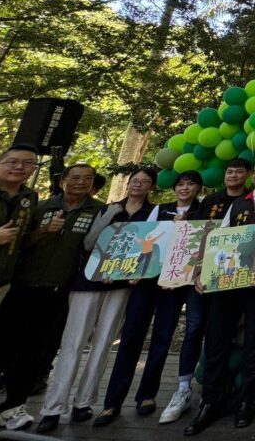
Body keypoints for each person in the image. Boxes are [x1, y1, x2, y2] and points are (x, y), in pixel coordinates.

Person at [36, 167, 157, 434]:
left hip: (124, 283)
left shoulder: (154, 214)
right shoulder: (108, 208)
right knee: (73, 342)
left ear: (151, 187)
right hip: (90, 279)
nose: (138, 185)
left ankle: (84, 403)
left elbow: (152, 248)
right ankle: (53, 407)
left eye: (144, 182)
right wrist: (109, 219)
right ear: (127, 183)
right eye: (134, 180)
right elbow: (89, 243)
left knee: (103, 343)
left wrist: (141, 271)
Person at [0, 163, 100, 431]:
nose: (81, 183)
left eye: (87, 179)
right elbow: (18, 242)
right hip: (20, 287)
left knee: (34, 352)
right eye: (75, 178)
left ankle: (12, 406)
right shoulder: (38, 206)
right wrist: (42, 231)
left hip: (57, 292)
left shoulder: (97, 211)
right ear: (62, 182)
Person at [184, 158, 255, 435]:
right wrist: (203, 272)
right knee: (217, 338)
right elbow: (218, 238)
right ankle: (209, 402)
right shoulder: (240, 203)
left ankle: (247, 400)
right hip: (228, 280)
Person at [94, 171, 203, 425]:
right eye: (181, 184)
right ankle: (112, 402)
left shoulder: (202, 213)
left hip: (175, 283)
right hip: (146, 280)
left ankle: (147, 395)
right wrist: (133, 271)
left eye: (190, 184)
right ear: (174, 188)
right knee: (131, 336)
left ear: (197, 188)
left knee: (162, 339)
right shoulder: (159, 211)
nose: (185, 188)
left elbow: (199, 247)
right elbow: (144, 241)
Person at [159, 158, 251, 425]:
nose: (233, 175)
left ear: (247, 175)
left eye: (238, 171)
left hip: (235, 277)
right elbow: (195, 238)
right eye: (229, 171)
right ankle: (185, 388)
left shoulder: (251, 201)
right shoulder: (209, 202)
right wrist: (193, 272)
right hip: (201, 278)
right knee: (194, 328)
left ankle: (217, 391)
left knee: (227, 334)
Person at [0, 144, 40, 328]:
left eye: (28, 163)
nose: (19, 167)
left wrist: (44, 230)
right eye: (13, 162)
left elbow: (23, 238)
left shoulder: (30, 197)